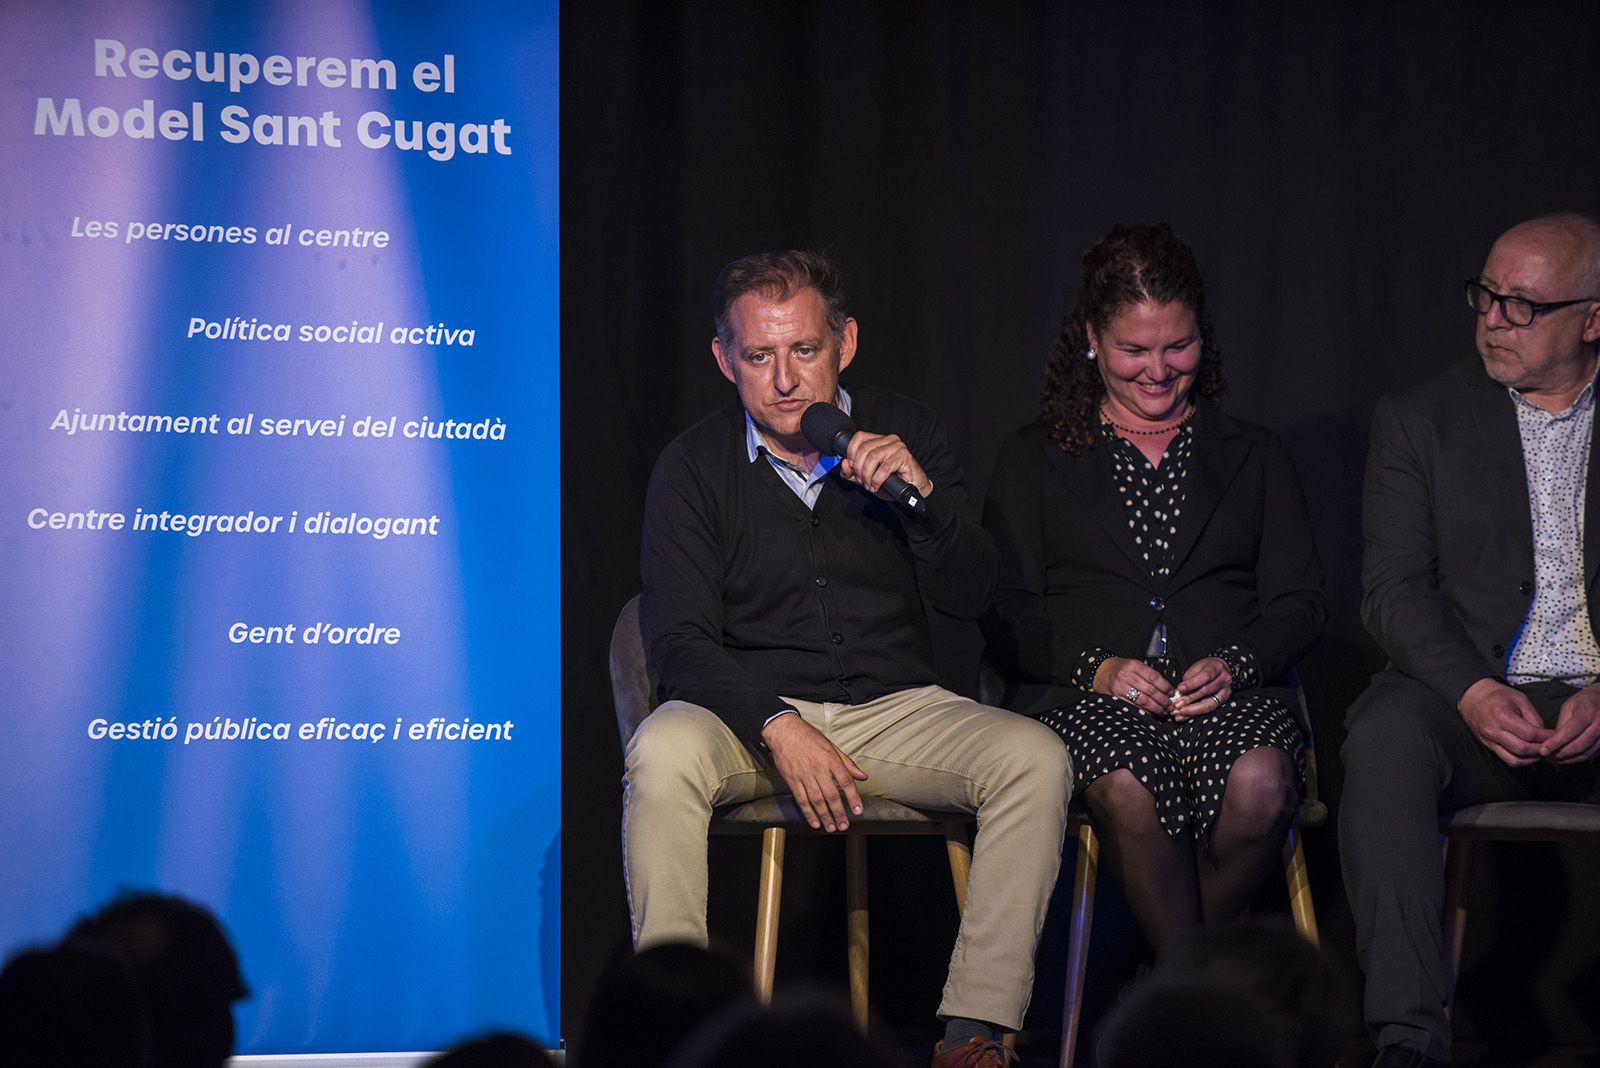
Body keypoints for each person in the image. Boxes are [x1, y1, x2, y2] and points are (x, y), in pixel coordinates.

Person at [627, 249, 1072, 1067]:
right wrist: (778, 723)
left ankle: (975, 1035)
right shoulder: (693, 467)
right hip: (750, 714)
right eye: (759, 357)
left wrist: (925, 503)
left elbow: (975, 593)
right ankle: (673, 1037)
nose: (786, 379)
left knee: (1034, 758)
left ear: (846, 344)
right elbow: (679, 641)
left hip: (893, 707)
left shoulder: (908, 433)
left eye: (804, 350)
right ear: (725, 361)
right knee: (660, 752)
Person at [982, 222, 1326, 952]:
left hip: (1225, 696)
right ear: (1092, 341)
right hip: (1084, 698)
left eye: (1180, 346)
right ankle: (1194, 1001)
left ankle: (1169, 992)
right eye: (1135, 350)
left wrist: (1237, 663)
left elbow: (1302, 603)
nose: (1159, 370)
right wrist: (1096, 669)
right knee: (1131, 782)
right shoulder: (1034, 457)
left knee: (1263, 784)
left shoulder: (1253, 454)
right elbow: (1004, 609)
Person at [1340, 212, 1600, 1068]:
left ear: (1592, 318)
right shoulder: (1422, 419)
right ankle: (1409, 1041)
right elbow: (1392, 591)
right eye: (1486, 295)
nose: (1492, 317)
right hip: (1475, 697)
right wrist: (1473, 690)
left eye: (1521, 305)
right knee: (1382, 739)